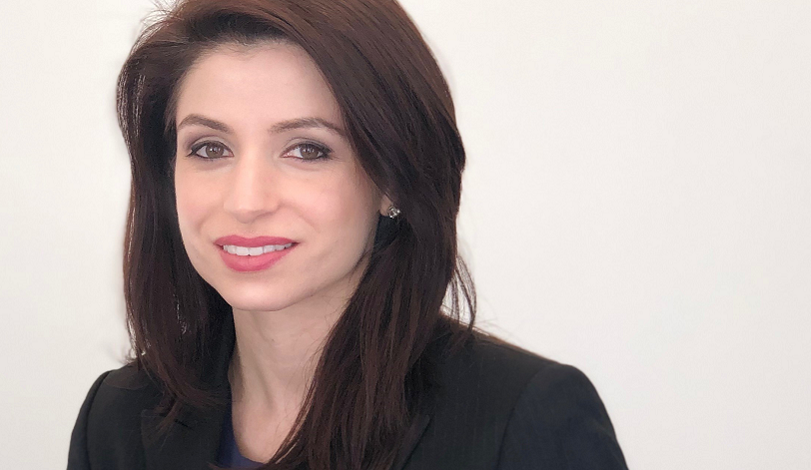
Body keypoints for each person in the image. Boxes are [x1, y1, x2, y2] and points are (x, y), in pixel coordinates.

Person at [67, 0, 629, 469]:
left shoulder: (523, 420)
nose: (246, 201)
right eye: (210, 148)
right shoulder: (116, 418)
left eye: (307, 150)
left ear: (393, 180)